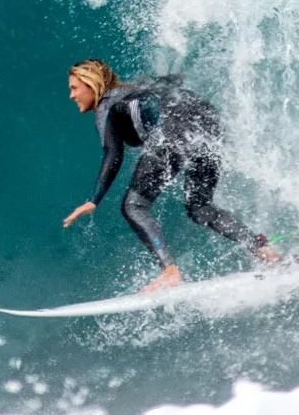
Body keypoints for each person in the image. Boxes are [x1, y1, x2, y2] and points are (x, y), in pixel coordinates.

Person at [60, 58, 280, 292]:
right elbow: (168, 83)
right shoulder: (135, 87)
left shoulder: (106, 105)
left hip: (175, 129)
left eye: (75, 88)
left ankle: (169, 271)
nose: (72, 95)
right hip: (206, 119)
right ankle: (263, 250)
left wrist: (93, 200)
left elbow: (113, 154)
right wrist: (177, 74)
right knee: (200, 207)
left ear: (92, 84)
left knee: (134, 206)